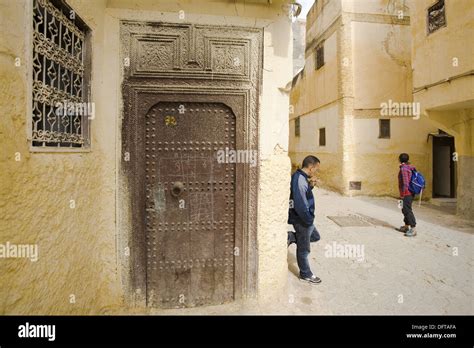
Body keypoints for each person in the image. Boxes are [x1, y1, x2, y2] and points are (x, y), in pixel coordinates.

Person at [287, 155, 321, 284]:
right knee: (304, 249)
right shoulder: (300, 180)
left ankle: (291, 237)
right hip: (302, 220)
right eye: (316, 169)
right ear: (311, 167)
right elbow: (300, 205)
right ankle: (305, 274)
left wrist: (311, 186)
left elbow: (303, 196)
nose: (316, 172)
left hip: (306, 219)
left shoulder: (302, 178)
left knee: (315, 237)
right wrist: (308, 221)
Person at [397, 153, 417, 237]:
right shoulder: (409, 167)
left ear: (399, 159)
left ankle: (413, 229)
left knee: (407, 210)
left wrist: (403, 194)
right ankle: (406, 226)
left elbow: (406, 182)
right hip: (408, 192)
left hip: (407, 193)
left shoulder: (404, 169)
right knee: (403, 209)